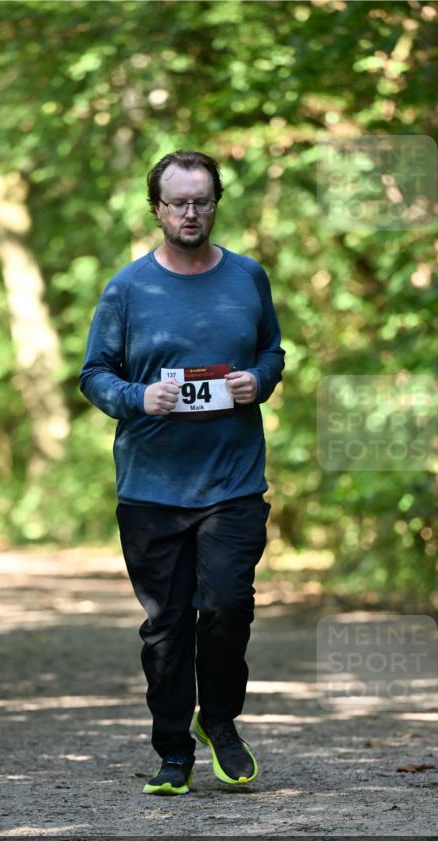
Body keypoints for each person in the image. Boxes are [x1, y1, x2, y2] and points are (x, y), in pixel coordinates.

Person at [79, 150, 284, 795]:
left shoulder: (249, 277)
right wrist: (138, 397)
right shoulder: (128, 288)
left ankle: (218, 722)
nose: (190, 212)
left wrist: (261, 379)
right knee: (166, 626)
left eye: (201, 201)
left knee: (226, 606)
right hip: (151, 488)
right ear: (157, 208)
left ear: (215, 204)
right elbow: (93, 375)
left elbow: (272, 350)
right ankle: (173, 752)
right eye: (178, 202)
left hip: (233, 482)